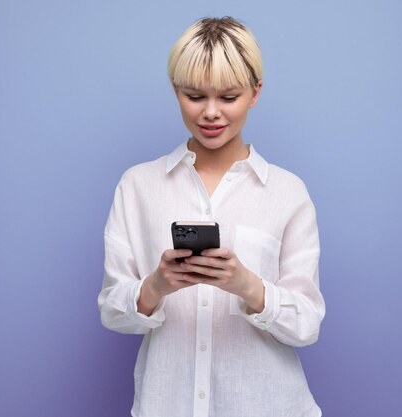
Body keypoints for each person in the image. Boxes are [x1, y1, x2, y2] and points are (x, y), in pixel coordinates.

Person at [98, 16, 325, 417]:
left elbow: (307, 324)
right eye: (195, 96)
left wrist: (248, 286)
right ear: (176, 92)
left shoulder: (288, 193)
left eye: (229, 96)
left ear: (255, 93)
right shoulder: (138, 186)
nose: (211, 113)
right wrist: (155, 285)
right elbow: (112, 311)